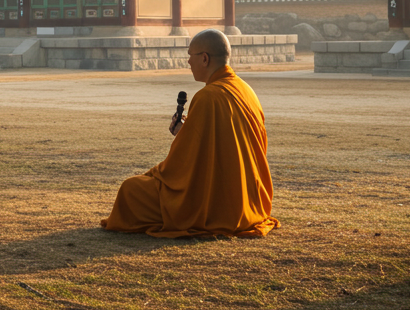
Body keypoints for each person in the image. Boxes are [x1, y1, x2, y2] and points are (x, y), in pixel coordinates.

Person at [100, 29, 279, 238]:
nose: (188, 62)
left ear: (204, 58)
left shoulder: (208, 97)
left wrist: (157, 171)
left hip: (217, 200)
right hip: (250, 199)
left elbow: (183, 165)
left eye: (190, 56)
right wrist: (185, 132)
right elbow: (217, 147)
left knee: (130, 190)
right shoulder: (245, 89)